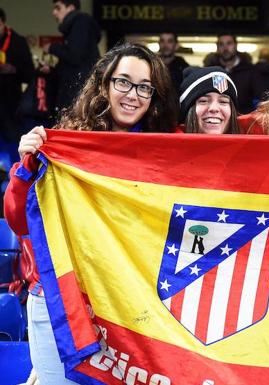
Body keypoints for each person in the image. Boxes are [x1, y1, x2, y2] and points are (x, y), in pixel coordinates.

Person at [4, 42, 178, 385]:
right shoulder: (65, 144)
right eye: (123, 82)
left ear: (154, 95)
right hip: (59, 298)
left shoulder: (165, 153)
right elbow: (18, 220)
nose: (132, 94)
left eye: (144, 87)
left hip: (129, 302)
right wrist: (24, 168)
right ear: (104, 84)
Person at [44, 0, 101, 117]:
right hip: (78, 92)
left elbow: (75, 57)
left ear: (70, 8)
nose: (54, 13)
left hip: (77, 94)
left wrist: (52, 47)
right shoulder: (76, 26)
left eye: (58, 8)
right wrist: (53, 71)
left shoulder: (81, 22)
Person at [0, 8, 35, 142]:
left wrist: (14, 70)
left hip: (11, 103)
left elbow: (29, 74)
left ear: (2, 23)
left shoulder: (18, 42)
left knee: (13, 144)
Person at [203, 33, 259, 114]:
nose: (225, 48)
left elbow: (259, 98)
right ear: (217, 47)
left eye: (229, 43)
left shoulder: (250, 71)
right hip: (217, 118)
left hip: (243, 120)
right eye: (221, 44)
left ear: (236, 46)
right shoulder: (210, 72)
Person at [179, 66, 240, 134]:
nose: (214, 108)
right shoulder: (168, 144)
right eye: (203, 101)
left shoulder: (250, 143)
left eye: (223, 101)